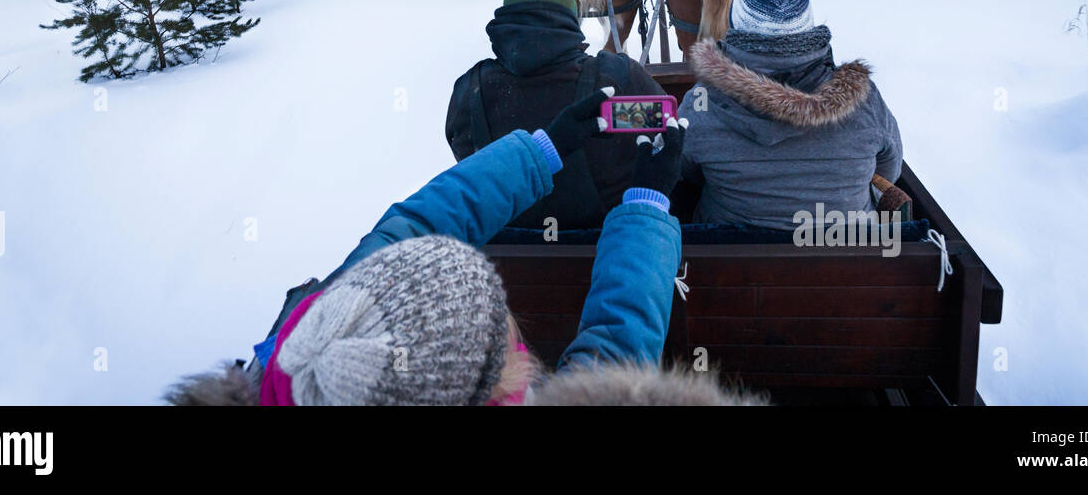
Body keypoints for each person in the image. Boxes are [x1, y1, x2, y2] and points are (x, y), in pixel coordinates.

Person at [164, 93, 750, 405]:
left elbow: (415, 226)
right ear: (498, 384)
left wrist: (547, 147)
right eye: (503, 331)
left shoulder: (321, 343)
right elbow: (616, 351)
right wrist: (648, 201)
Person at [678, 0, 903, 231]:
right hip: (848, 256)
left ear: (736, 27)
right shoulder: (865, 100)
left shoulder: (700, 103)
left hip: (731, 262)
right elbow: (889, 170)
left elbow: (687, 175)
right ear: (806, 28)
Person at [446, 0, 665, 230]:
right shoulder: (618, 77)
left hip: (506, 256)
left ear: (506, 19)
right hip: (608, 250)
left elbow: (465, 159)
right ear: (571, 17)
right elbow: (669, 138)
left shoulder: (469, 89)